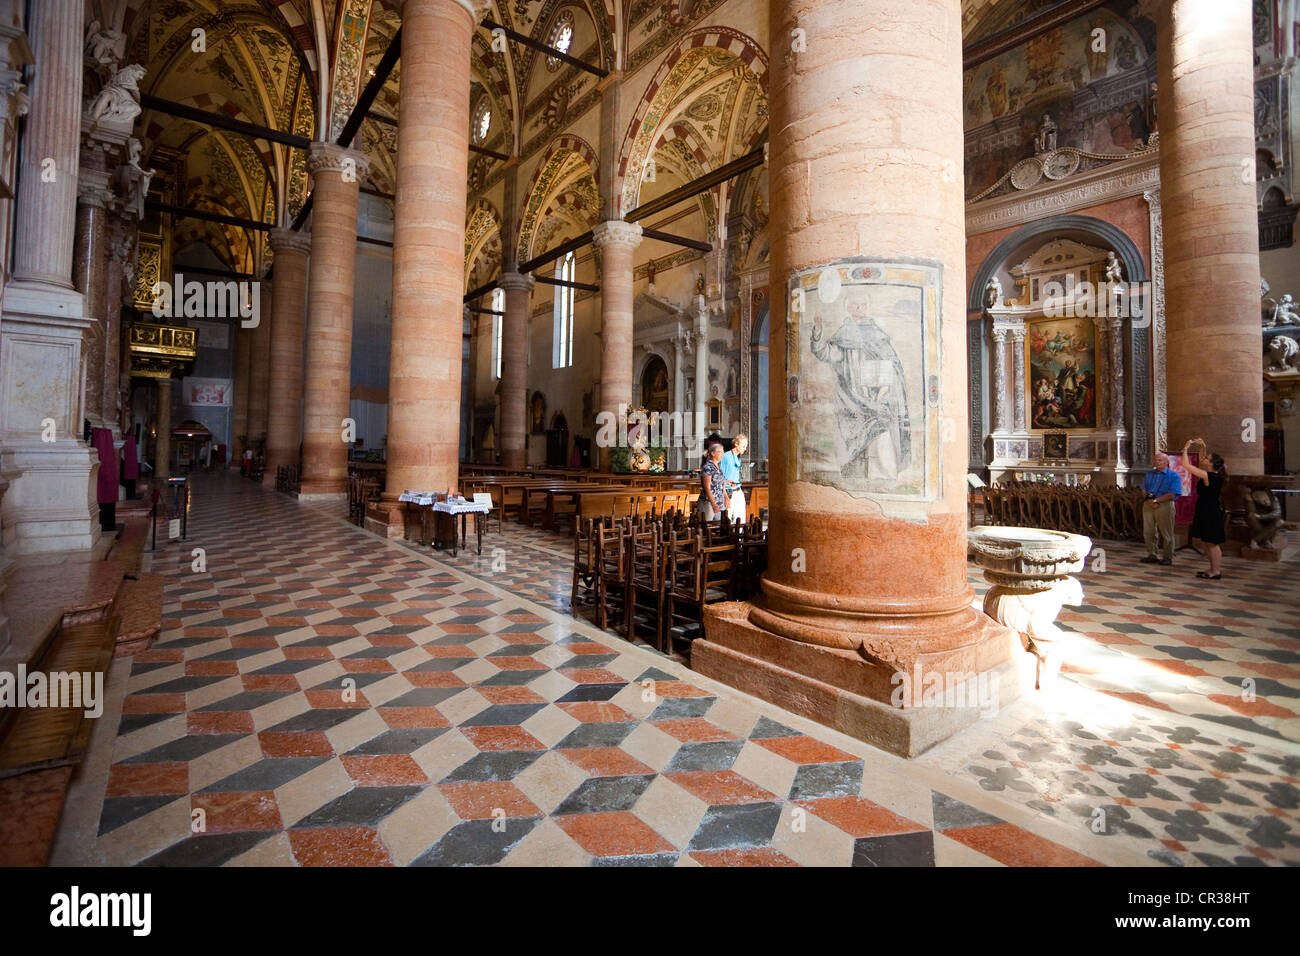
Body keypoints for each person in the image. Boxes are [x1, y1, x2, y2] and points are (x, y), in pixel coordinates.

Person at [1182, 438, 1226, 580]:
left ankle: (1216, 570)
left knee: (1212, 542)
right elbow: (1202, 457)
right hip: (1206, 508)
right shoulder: (1213, 474)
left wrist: (1186, 448)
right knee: (1207, 541)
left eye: (1207, 458)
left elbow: (1185, 464)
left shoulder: (1209, 476)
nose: (1204, 459)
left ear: (1211, 463)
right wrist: (1203, 446)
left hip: (1210, 510)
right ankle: (1212, 568)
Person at [1140, 451, 1182, 565]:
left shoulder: (1174, 476)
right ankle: (1152, 554)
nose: (1157, 462)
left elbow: (1172, 494)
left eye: (1160, 460)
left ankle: (1168, 556)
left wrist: (1156, 500)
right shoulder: (1150, 474)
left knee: (1166, 532)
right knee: (1148, 531)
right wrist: (1149, 500)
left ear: (1166, 462)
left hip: (1164, 505)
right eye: (1156, 460)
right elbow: (1144, 488)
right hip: (1148, 504)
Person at [721, 433, 748, 523]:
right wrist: (725, 496)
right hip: (728, 492)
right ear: (736, 444)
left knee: (741, 519)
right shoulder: (725, 457)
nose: (745, 449)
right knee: (728, 519)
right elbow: (720, 478)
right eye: (743, 446)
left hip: (738, 490)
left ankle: (739, 536)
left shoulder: (737, 458)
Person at [698, 441, 728, 520]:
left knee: (720, 527)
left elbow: (722, 484)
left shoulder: (718, 466)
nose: (722, 454)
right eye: (719, 452)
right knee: (708, 526)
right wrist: (713, 504)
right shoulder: (708, 467)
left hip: (720, 503)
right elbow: (707, 487)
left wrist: (726, 497)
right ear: (712, 453)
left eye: (723, 452)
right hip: (709, 503)